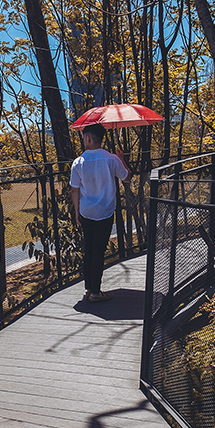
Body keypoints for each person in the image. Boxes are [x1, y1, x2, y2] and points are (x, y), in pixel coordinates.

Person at [70, 125, 130, 302]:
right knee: (98, 250)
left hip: (86, 212)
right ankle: (95, 292)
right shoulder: (111, 159)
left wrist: (76, 211)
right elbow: (127, 178)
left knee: (89, 249)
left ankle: (90, 288)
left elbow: (75, 190)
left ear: (88, 138)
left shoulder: (78, 162)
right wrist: (122, 159)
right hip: (104, 212)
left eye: (83, 136)